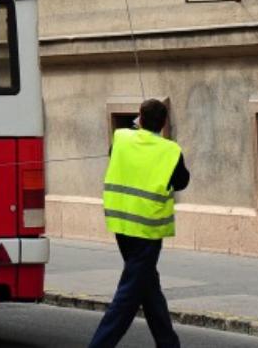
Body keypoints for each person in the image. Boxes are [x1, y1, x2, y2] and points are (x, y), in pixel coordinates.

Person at [88, 98, 190, 348]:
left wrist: (138, 126)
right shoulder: (171, 150)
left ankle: (168, 343)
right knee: (129, 295)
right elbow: (182, 182)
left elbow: (115, 153)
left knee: (147, 286)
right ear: (164, 123)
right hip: (148, 229)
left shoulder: (121, 137)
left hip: (121, 225)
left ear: (139, 119)